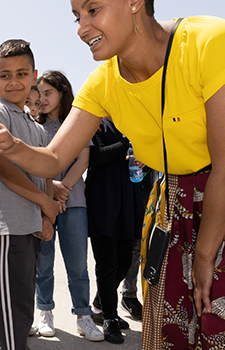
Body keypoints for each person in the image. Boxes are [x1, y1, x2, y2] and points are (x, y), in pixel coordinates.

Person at [0, 0, 225, 349]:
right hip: (173, 201)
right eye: (75, 16)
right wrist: (10, 145)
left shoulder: (211, 42)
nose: (81, 28)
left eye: (93, 10)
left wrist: (204, 256)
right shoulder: (102, 82)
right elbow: (54, 159)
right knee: (169, 331)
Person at [0, 39, 57, 350]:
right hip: (7, 228)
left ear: (33, 76)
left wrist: (47, 214)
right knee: (9, 321)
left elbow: (47, 169)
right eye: (5, 75)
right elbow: (5, 171)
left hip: (30, 227)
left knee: (19, 314)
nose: (14, 81)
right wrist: (45, 203)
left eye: (21, 74)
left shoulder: (33, 125)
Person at [33, 71, 103, 342]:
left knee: (78, 265)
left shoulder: (75, 124)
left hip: (73, 202)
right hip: (42, 202)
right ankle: (45, 312)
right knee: (43, 262)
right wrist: (52, 189)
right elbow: (32, 164)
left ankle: (83, 316)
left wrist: (62, 192)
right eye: (39, 94)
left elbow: (83, 160)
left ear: (62, 92)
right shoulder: (33, 126)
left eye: (48, 93)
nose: (43, 99)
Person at [85, 118, 144, 344]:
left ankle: (100, 306)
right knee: (107, 263)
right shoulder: (96, 123)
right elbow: (97, 155)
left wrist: (142, 159)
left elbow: (143, 156)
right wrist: (127, 143)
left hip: (128, 199)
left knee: (124, 263)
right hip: (103, 200)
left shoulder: (131, 123)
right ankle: (109, 317)